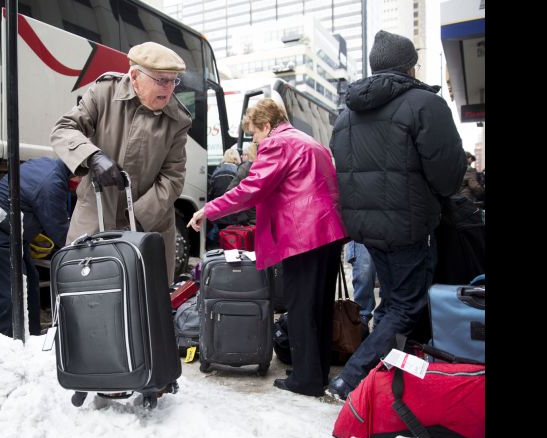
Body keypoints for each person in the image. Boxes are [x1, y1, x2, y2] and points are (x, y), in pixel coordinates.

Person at [327, 30, 466, 400]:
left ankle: (388, 377)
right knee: (406, 306)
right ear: (409, 65)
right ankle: (351, 380)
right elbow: (448, 175)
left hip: (367, 230)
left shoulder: (345, 117)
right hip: (409, 229)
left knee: (392, 303)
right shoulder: (424, 104)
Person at [188, 98, 347, 397]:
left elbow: (251, 189)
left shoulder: (278, 143)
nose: (256, 141)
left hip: (303, 235)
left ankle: (306, 379)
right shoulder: (309, 142)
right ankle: (315, 369)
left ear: (266, 125)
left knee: (301, 307)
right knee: (320, 306)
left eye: (255, 134)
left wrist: (209, 209)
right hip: (328, 231)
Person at [50, 41, 192, 285]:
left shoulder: (178, 119)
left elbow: (173, 177)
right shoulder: (104, 92)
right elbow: (64, 129)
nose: (169, 89)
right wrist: (92, 156)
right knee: (87, 295)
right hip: (94, 217)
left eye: (173, 80)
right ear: (135, 76)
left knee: (145, 306)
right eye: (161, 80)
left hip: (150, 225)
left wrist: (135, 217)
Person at [0, 157, 78, 337]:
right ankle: (8, 343)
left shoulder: (52, 166)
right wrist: (81, 249)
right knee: (12, 291)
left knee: (29, 281)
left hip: (11, 231)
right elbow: (60, 231)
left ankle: (31, 336)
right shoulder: (51, 184)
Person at [345, 241, 385, 338]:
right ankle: (361, 322)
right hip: (362, 232)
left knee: (388, 275)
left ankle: (382, 322)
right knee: (364, 272)